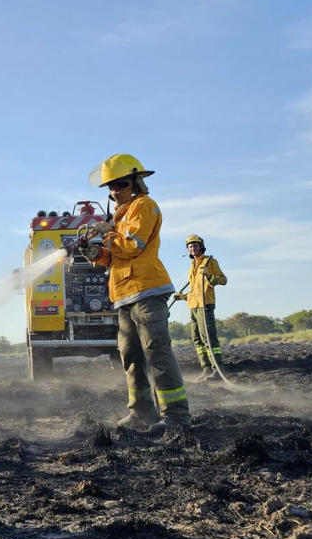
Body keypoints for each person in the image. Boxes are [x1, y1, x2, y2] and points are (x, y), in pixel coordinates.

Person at [82, 154, 191, 433]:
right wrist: (96, 253)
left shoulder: (144, 206)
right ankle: (142, 413)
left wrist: (108, 233)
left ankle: (177, 417)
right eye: (110, 187)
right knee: (130, 355)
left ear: (136, 182)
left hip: (147, 291)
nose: (113, 191)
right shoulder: (120, 215)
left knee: (157, 353)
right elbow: (116, 257)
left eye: (119, 184)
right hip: (125, 295)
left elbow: (132, 246)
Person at [174, 234, 227, 381]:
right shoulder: (192, 267)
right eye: (190, 246)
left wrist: (210, 276)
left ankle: (218, 370)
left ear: (201, 247)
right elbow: (195, 290)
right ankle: (206, 369)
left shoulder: (210, 261)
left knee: (208, 338)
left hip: (205, 305)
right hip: (193, 305)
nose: (193, 248)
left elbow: (223, 280)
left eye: (195, 246)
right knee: (197, 339)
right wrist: (183, 297)